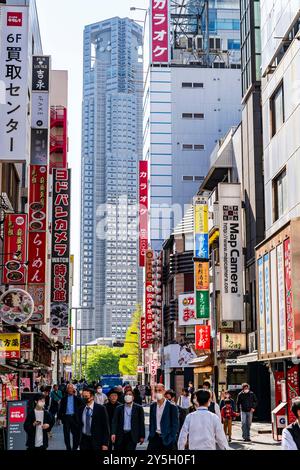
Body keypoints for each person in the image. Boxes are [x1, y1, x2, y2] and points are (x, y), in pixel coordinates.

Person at [148, 383, 179, 451]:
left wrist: (172, 437)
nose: (157, 392)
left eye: (160, 390)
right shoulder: (153, 406)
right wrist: (151, 434)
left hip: (167, 438)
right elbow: (151, 422)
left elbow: (175, 424)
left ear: (164, 391)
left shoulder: (172, 406)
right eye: (156, 391)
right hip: (154, 437)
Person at [57, 383, 83, 451]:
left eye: (71, 388)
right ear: (67, 390)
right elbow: (61, 409)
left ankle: (74, 447)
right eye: (69, 388)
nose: (70, 389)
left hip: (75, 418)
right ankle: (68, 448)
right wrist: (59, 418)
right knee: (66, 435)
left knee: (76, 435)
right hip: (66, 418)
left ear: (74, 389)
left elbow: (82, 408)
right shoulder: (63, 399)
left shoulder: (77, 399)